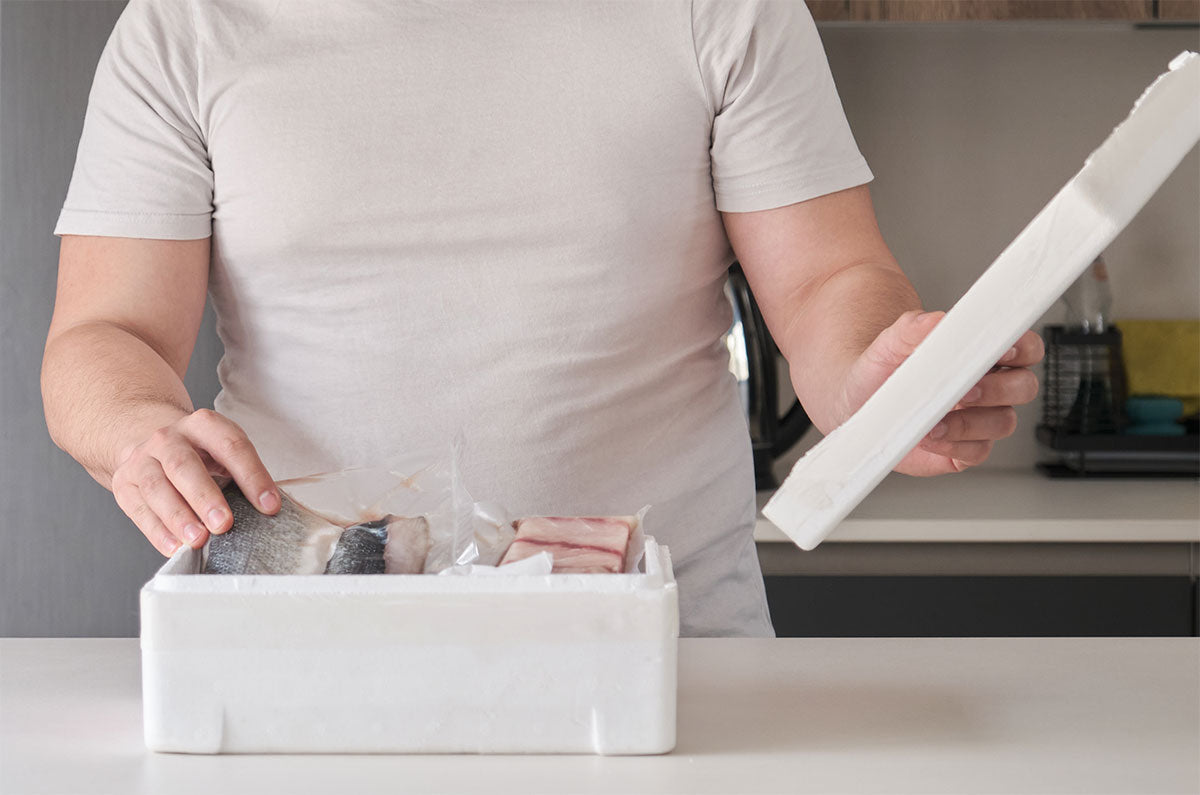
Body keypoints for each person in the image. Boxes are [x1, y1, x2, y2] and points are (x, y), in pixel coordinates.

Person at [41, 0, 1042, 637]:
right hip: (303, 641)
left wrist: (884, 379)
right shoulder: (186, 26)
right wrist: (138, 430)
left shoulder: (720, 10)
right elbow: (106, 335)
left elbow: (830, 281)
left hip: (663, 646)